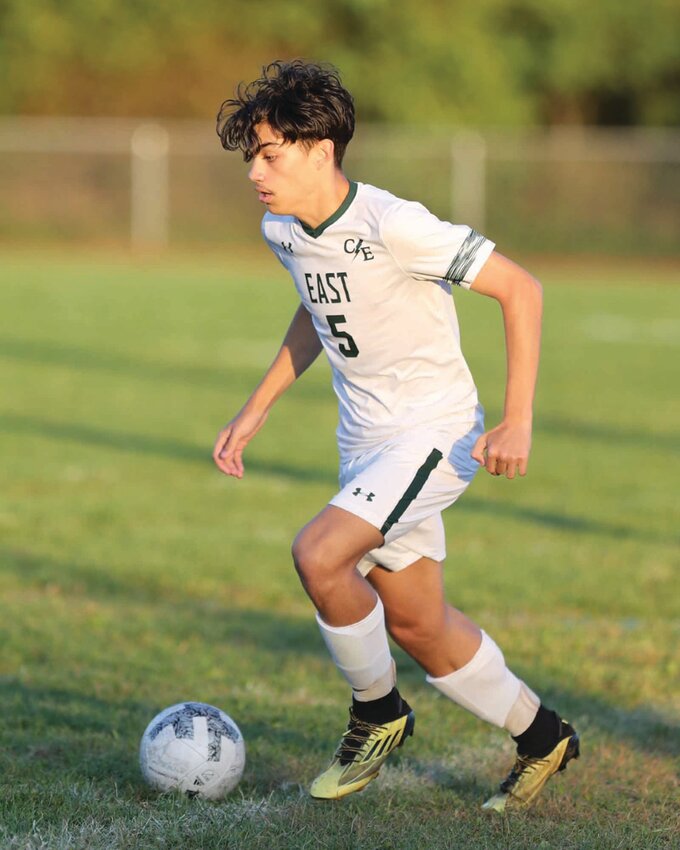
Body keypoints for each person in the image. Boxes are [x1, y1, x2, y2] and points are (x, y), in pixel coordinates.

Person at [213, 60, 579, 812]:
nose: (255, 170)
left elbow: (522, 288)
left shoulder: (394, 224)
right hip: (366, 445)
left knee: (318, 553)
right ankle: (544, 736)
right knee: (417, 622)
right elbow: (318, 313)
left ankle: (378, 714)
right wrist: (257, 408)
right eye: (251, 155)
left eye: (270, 153)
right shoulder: (282, 228)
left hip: (435, 435)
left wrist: (518, 419)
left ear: (320, 150)